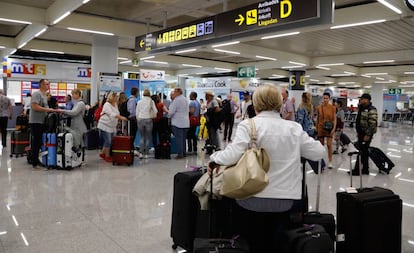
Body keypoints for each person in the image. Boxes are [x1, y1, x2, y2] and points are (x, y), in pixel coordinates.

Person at [208, 84, 325, 253]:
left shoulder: (248, 125)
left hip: (252, 196)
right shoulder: (293, 128)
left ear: (256, 103)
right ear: (279, 103)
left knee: (253, 241)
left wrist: (214, 158)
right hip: (285, 200)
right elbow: (319, 152)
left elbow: (231, 155)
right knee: (277, 242)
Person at [29, 79, 58, 170]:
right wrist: (48, 110)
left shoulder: (45, 95)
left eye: (48, 84)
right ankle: (34, 162)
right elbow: (34, 106)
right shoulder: (37, 94)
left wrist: (52, 110)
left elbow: (45, 107)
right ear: (41, 85)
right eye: (46, 84)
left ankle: (38, 160)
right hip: (35, 121)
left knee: (40, 142)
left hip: (42, 121)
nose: (48, 85)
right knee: (36, 142)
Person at [350, 93, 378, 175]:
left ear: (366, 100)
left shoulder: (371, 109)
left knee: (361, 151)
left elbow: (373, 123)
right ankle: (365, 169)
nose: (360, 100)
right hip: (361, 133)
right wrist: (358, 132)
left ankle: (357, 170)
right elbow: (359, 121)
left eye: (362, 99)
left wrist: (368, 135)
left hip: (366, 134)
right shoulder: (362, 108)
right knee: (364, 151)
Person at [97, 92, 128, 162]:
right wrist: (121, 118)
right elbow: (111, 114)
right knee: (108, 141)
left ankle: (102, 153)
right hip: (104, 125)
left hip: (111, 126)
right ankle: (107, 156)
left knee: (109, 141)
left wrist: (118, 122)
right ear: (112, 97)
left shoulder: (115, 105)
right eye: (115, 97)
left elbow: (117, 113)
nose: (117, 98)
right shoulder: (107, 104)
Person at [316, 92, 337, 169]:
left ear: (329, 99)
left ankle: (330, 161)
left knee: (329, 145)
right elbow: (317, 119)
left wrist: (334, 129)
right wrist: (316, 128)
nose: (325, 100)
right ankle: (321, 161)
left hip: (329, 129)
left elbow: (334, 119)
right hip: (321, 128)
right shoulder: (319, 107)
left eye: (326, 98)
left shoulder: (332, 108)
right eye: (324, 98)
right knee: (321, 146)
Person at [136, 88, 158, 159]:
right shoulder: (151, 101)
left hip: (140, 119)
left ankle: (141, 153)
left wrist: (138, 119)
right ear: (149, 94)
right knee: (148, 138)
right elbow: (156, 111)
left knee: (142, 137)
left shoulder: (139, 102)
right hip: (148, 119)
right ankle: (146, 154)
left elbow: (137, 112)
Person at [168, 87, 189, 159]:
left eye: (174, 92)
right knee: (183, 139)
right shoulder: (185, 99)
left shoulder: (176, 100)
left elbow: (171, 112)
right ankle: (183, 153)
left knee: (179, 139)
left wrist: (168, 115)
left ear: (178, 92)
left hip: (177, 123)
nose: (173, 93)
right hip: (185, 122)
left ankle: (180, 154)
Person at [127, 87, 139, 154]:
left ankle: (131, 147)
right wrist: (135, 117)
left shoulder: (130, 99)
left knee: (132, 134)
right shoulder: (133, 100)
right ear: (136, 92)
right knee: (132, 134)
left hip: (131, 119)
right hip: (132, 119)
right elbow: (131, 110)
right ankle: (131, 147)